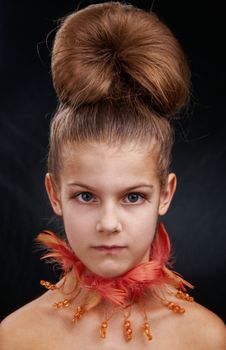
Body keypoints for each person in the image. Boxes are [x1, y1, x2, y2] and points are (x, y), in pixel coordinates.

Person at [0, 2, 225, 349]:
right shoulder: (15, 336)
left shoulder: (206, 337)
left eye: (133, 196)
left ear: (165, 194)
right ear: (54, 193)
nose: (108, 223)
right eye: (86, 196)